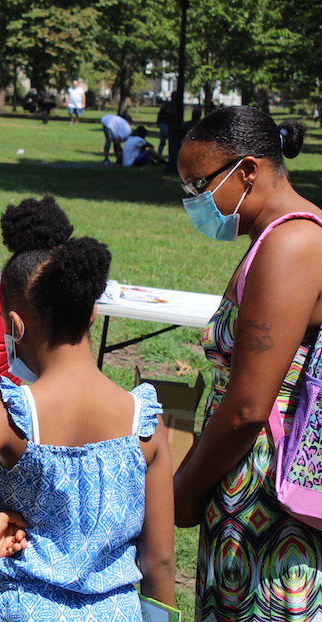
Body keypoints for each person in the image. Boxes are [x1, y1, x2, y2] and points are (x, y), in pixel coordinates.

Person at [0, 196, 175, 621]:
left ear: (15, 325)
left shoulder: (9, 413)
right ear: (93, 312)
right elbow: (158, 561)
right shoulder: (145, 422)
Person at [174, 106, 322, 621]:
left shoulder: (291, 245)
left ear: (248, 170)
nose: (194, 201)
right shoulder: (273, 240)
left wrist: (183, 491)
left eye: (200, 185)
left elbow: (247, 407)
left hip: (266, 501)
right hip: (242, 482)